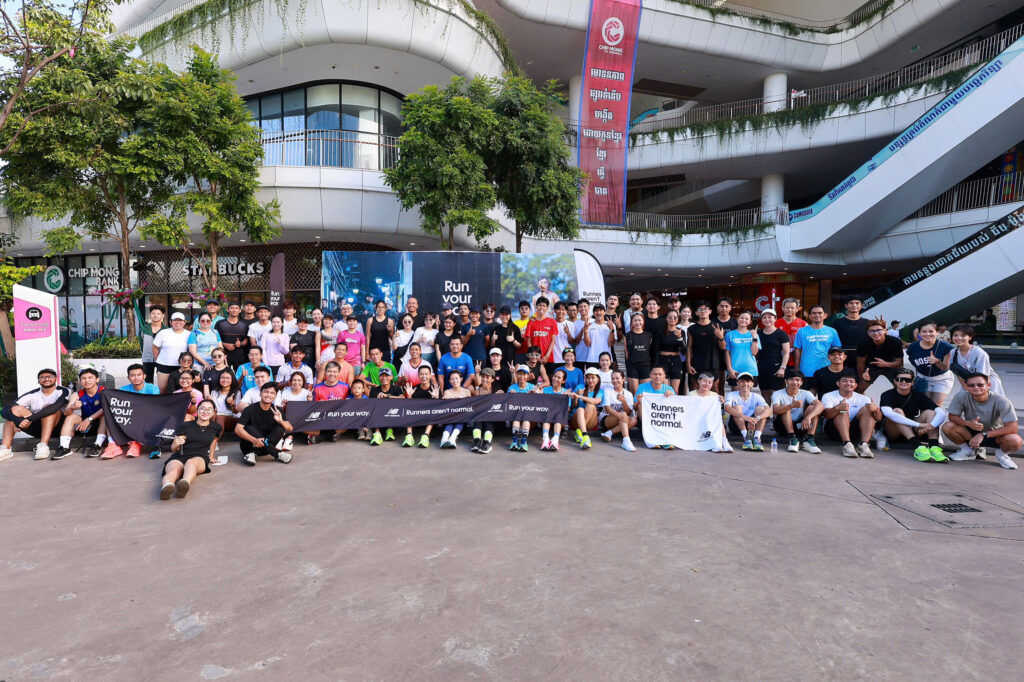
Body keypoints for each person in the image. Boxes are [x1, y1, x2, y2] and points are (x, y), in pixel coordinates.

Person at [942, 372, 1020, 469]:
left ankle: (1001, 455)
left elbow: (1012, 428)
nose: (976, 387)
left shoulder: (1002, 401)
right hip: (971, 432)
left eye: (980, 385)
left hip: (994, 434)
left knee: (1015, 440)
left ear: (988, 385)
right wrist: (968, 423)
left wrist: (984, 434)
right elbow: (952, 416)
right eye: (971, 385)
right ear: (966, 386)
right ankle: (967, 451)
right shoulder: (961, 396)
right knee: (948, 426)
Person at [0, 368, 71, 462]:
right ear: (38, 380)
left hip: (57, 427)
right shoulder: (33, 394)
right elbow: (5, 409)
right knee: (14, 410)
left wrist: (29, 419)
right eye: (42, 377)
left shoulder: (63, 391)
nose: (46, 379)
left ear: (56, 379)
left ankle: (43, 446)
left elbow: (55, 407)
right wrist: (18, 420)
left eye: (50, 376)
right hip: (37, 428)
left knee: (49, 409)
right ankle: (5, 449)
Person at [879, 368, 948, 462]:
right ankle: (918, 448)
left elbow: (941, 413)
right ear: (895, 381)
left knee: (931, 412)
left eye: (907, 380)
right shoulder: (887, 395)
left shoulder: (918, 395)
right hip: (894, 433)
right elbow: (889, 414)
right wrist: (919, 425)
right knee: (897, 411)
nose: (904, 382)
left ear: (912, 382)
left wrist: (931, 426)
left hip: (913, 431)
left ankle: (934, 448)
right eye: (900, 379)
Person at [159, 399, 222, 499]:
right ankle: (167, 486)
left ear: (214, 412)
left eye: (209, 409)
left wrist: (211, 457)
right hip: (180, 455)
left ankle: (184, 484)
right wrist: (176, 443)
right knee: (174, 469)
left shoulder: (216, 427)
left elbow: (214, 441)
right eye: (202, 408)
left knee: (191, 463)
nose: (205, 411)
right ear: (197, 411)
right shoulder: (185, 426)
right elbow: (173, 449)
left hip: (200, 457)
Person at [102, 364, 161, 460]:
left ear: (144, 376)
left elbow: (154, 405)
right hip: (128, 419)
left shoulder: (152, 388)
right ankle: (113, 445)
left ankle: (136, 444)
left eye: (139, 375)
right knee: (109, 413)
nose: (136, 378)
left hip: (145, 419)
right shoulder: (123, 390)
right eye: (133, 375)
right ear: (128, 378)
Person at [821, 374, 880, 458]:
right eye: (844, 381)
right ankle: (846, 444)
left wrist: (876, 410)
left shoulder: (864, 398)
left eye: (851, 381)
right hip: (833, 431)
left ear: (855, 385)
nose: (848, 383)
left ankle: (863, 445)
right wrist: (837, 408)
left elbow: (879, 419)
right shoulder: (828, 396)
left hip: (855, 434)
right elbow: (827, 415)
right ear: (838, 384)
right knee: (842, 411)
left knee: (867, 410)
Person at [54, 367, 108, 459]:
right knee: (70, 417)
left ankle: (97, 445)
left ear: (97, 379)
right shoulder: (77, 394)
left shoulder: (104, 391)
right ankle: (64, 447)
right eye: (83, 378)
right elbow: (66, 413)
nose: (87, 380)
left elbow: (106, 408)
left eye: (90, 378)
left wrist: (89, 419)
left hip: (101, 424)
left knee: (105, 415)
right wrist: (72, 407)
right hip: (85, 424)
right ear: (80, 381)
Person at [234, 383, 293, 466]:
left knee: (280, 428)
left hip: (265, 448)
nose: (269, 395)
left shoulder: (277, 410)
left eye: (272, 393)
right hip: (249, 446)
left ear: (275, 396)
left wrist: (280, 420)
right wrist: (253, 440)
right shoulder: (249, 409)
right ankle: (277, 453)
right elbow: (237, 429)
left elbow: (290, 428)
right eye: (266, 392)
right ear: (260, 394)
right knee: (249, 428)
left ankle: (252, 454)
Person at [771, 370, 822, 453]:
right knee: (785, 408)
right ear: (786, 381)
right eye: (791, 379)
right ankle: (792, 439)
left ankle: (809, 439)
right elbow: (775, 410)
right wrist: (791, 405)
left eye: (797, 380)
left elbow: (820, 405)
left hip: (801, 426)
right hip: (782, 426)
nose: (795, 382)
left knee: (813, 407)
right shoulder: (777, 393)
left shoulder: (806, 393)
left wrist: (808, 417)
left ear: (801, 382)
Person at [906, 320, 955, 407]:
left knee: (935, 405)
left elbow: (945, 367)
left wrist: (937, 361)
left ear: (937, 333)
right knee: (924, 405)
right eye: (924, 331)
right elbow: (912, 361)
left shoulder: (946, 347)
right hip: (923, 378)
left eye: (931, 331)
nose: (927, 334)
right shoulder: (913, 347)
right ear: (919, 333)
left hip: (942, 379)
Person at [793, 305, 841, 392]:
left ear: (825, 315)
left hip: (827, 369)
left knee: (825, 397)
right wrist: (796, 367)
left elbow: (837, 350)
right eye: (814, 313)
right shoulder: (802, 331)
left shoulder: (832, 331)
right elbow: (797, 349)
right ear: (810, 316)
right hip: (806, 370)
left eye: (819, 313)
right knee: (806, 397)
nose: (817, 315)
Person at [948, 323, 1004, 395]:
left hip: (985, 383)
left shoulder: (979, 353)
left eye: (963, 335)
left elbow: (983, 375)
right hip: (969, 382)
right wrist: (965, 388)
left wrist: (980, 390)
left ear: (970, 337)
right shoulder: (953, 352)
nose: (959, 338)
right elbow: (958, 373)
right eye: (955, 335)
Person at [724, 372, 771, 451]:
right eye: (742, 381)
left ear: (752, 384)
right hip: (736, 426)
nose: (745, 384)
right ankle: (746, 437)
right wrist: (746, 418)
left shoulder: (757, 396)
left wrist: (756, 419)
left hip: (752, 426)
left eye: (748, 381)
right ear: (738, 383)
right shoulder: (731, 395)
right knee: (737, 407)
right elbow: (727, 408)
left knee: (761, 409)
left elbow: (769, 410)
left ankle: (756, 438)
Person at [307, 362, 350, 445]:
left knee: (349, 423)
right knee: (304, 428)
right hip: (322, 418)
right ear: (325, 372)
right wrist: (312, 402)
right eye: (329, 371)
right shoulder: (317, 388)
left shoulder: (345, 387)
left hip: (339, 418)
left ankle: (322, 436)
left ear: (339, 373)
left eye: (335, 372)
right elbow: (314, 409)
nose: (332, 374)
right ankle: (332, 435)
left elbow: (350, 406)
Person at [856, 319, 904, 392]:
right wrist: (862, 376)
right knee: (859, 388)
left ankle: (900, 398)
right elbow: (860, 363)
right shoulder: (863, 343)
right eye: (872, 331)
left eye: (879, 330)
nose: (875, 333)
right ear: (868, 333)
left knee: (901, 387)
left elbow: (899, 362)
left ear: (885, 330)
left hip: (891, 365)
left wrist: (885, 364)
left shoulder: (895, 341)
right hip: (871, 367)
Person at [687, 301, 724, 393]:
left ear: (710, 311)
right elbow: (689, 347)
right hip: (697, 363)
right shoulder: (691, 328)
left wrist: (721, 337)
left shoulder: (717, 326)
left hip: (713, 363)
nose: (703, 311)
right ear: (696, 312)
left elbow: (723, 347)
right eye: (700, 309)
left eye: (705, 309)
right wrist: (688, 365)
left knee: (715, 388)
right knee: (695, 388)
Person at [635, 366, 676, 448]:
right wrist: (638, 401)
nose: (657, 376)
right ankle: (651, 438)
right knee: (640, 404)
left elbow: (676, 408)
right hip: (646, 420)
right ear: (650, 376)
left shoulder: (669, 389)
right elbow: (635, 408)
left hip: (662, 419)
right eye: (655, 374)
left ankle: (666, 440)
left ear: (664, 376)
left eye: (660, 374)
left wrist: (672, 397)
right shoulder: (642, 387)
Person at [152, 312, 192, 393]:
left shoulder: (189, 334)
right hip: (164, 365)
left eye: (180, 320)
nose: (178, 322)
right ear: (171, 322)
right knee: (163, 389)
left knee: (182, 389)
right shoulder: (163, 333)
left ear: (184, 322)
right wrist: (158, 359)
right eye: (175, 320)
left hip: (182, 366)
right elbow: (155, 347)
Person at [756, 309, 790, 403]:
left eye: (770, 317)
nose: (767, 319)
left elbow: (786, 352)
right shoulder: (758, 333)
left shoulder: (781, 334)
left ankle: (778, 413)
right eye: (764, 317)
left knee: (776, 393)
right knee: (764, 392)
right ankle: (766, 412)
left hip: (776, 367)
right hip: (762, 366)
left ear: (775, 319)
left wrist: (782, 368)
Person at [599, 370, 637, 452]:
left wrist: (623, 401)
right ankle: (626, 441)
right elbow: (607, 409)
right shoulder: (607, 390)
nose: (615, 380)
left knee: (634, 420)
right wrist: (621, 415)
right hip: (606, 419)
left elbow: (629, 413)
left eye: (617, 378)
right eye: (613, 379)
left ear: (623, 379)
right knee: (623, 415)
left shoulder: (628, 394)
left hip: (622, 420)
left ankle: (609, 433)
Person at [403, 365, 439, 448]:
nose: (424, 376)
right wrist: (409, 396)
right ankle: (409, 436)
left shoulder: (435, 389)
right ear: (418, 376)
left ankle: (425, 436)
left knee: (434, 411)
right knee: (407, 410)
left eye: (426, 374)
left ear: (430, 375)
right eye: (422, 374)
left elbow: (439, 408)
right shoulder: (414, 389)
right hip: (416, 416)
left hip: (430, 419)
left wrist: (436, 398)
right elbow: (408, 406)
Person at [832, 297, 872, 370]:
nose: (854, 305)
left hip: (863, 358)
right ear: (846, 306)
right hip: (843, 358)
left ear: (861, 306)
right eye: (851, 303)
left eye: (857, 303)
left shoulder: (867, 323)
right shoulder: (837, 322)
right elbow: (833, 341)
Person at [507, 365, 540, 452]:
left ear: (528, 376)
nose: (522, 376)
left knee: (526, 418)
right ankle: (514, 441)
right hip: (515, 414)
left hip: (529, 416)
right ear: (516, 375)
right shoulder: (511, 388)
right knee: (516, 418)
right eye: (520, 374)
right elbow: (507, 405)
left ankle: (524, 441)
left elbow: (540, 401)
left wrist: (535, 394)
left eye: (524, 374)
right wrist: (510, 397)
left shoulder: (532, 387)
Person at [540, 368, 573, 451]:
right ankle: (545, 438)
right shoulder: (545, 390)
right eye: (554, 376)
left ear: (563, 381)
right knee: (548, 412)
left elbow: (568, 409)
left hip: (559, 420)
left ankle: (555, 440)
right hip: (546, 418)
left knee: (559, 415)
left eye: (559, 378)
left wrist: (564, 399)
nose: (555, 379)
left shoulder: (566, 392)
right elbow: (541, 406)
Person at [524, 297, 559, 376]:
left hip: (548, 358)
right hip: (534, 359)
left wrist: (547, 355)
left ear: (547, 308)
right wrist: (534, 356)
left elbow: (553, 340)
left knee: (549, 379)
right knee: (533, 379)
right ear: (536, 306)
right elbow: (529, 342)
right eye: (540, 305)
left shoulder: (552, 322)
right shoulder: (531, 322)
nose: (542, 307)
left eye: (544, 306)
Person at [654, 310, 687, 395]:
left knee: (674, 391)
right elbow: (656, 350)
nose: (672, 319)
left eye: (675, 317)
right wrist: (656, 365)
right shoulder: (660, 332)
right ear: (666, 318)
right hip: (663, 361)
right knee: (664, 390)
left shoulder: (681, 332)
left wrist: (680, 337)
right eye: (670, 317)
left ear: (678, 319)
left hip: (676, 361)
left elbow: (684, 351)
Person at [368, 368, 403, 445]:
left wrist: (387, 396)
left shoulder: (396, 388)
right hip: (379, 416)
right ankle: (377, 434)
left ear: (391, 377)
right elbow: (370, 406)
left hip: (394, 414)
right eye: (382, 376)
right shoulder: (374, 390)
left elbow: (403, 398)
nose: (384, 378)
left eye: (387, 376)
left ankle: (389, 430)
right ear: (379, 377)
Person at [439, 369, 472, 449]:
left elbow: (469, 405)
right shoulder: (447, 392)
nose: (454, 381)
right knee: (450, 422)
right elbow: (445, 405)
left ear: (461, 379)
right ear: (449, 381)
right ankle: (444, 439)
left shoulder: (467, 391)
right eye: (452, 379)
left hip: (462, 416)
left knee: (460, 421)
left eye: (456, 378)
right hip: (450, 416)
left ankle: (452, 438)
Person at [724, 310, 759, 387]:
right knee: (735, 393)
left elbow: (754, 353)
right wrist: (729, 368)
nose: (744, 320)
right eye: (741, 318)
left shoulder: (754, 335)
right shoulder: (729, 334)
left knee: (747, 393)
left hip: (750, 369)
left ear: (750, 322)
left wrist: (754, 338)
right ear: (737, 319)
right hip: (734, 369)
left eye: (746, 319)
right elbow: (727, 353)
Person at [573, 368, 604, 446]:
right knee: (580, 409)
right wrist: (576, 396)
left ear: (598, 379)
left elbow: (596, 401)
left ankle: (581, 432)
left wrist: (580, 396)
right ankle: (585, 435)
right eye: (588, 378)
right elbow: (573, 406)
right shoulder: (580, 387)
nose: (590, 380)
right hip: (576, 420)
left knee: (590, 404)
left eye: (593, 377)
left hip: (591, 422)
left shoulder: (600, 391)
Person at [215, 302, 250, 370]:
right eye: (232, 308)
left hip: (240, 356)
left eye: (236, 308)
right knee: (223, 374)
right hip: (223, 355)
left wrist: (241, 343)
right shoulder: (220, 323)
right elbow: (215, 338)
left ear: (240, 310)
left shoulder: (244, 324)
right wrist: (224, 344)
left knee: (240, 375)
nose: (234, 310)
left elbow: (247, 339)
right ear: (227, 309)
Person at [623, 314, 652, 394]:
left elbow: (650, 351)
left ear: (643, 321)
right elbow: (626, 353)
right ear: (632, 322)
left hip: (645, 366)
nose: (637, 322)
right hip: (632, 366)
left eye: (639, 320)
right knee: (635, 393)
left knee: (645, 393)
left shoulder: (649, 336)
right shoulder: (627, 336)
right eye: (635, 320)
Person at [582, 303, 616, 370]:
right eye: (596, 311)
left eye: (600, 310)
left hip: (606, 360)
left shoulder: (610, 324)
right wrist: (585, 330)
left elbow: (611, 344)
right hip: (592, 359)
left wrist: (612, 330)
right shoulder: (589, 325)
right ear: (593, 313)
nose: (598, 312)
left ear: (604, 312)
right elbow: (587, 344)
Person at [777, 298, 806, 368]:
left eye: (792, 308)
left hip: (798, 361)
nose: (790, 310)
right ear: (782, 308)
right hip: (780, 361)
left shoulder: (804, 324)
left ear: (797, 309)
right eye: (787, 307)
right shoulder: (776, 323)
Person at [141, 304, 166, 383]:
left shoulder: (166, 330)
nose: (155, 315)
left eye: (158, 314)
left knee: (163, 381)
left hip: (162, 359)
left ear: (163, 315)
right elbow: (141, 343)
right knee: (148, 381)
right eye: (153, 313)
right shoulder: (144, 329)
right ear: (150, 315)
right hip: (147, 358)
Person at [208, 369, 239, 435]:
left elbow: (236, 412)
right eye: (222, 378)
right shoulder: (214, 392)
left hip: (231, 419)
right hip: (217, 417)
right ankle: (208, 436)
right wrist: (210, 403)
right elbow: (214, 410)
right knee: (212, 414)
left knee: (220, 417)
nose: (225, 380)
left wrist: (232, 404)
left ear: (232, 379)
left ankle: (215, 440)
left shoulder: (236, 392)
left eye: (228, 378)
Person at [366, 299, 394, 364]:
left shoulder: (390, 321)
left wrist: (390, 331)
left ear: (385, 309)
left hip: (385, 350)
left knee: (385, 369)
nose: (380, 309)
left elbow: (392, 337)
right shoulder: (370, 320)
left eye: (382, 307)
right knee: (373, 369)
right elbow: (367, 336)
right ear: (376, 308)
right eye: (379, 307)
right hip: (373, 350)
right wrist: (367, 352)